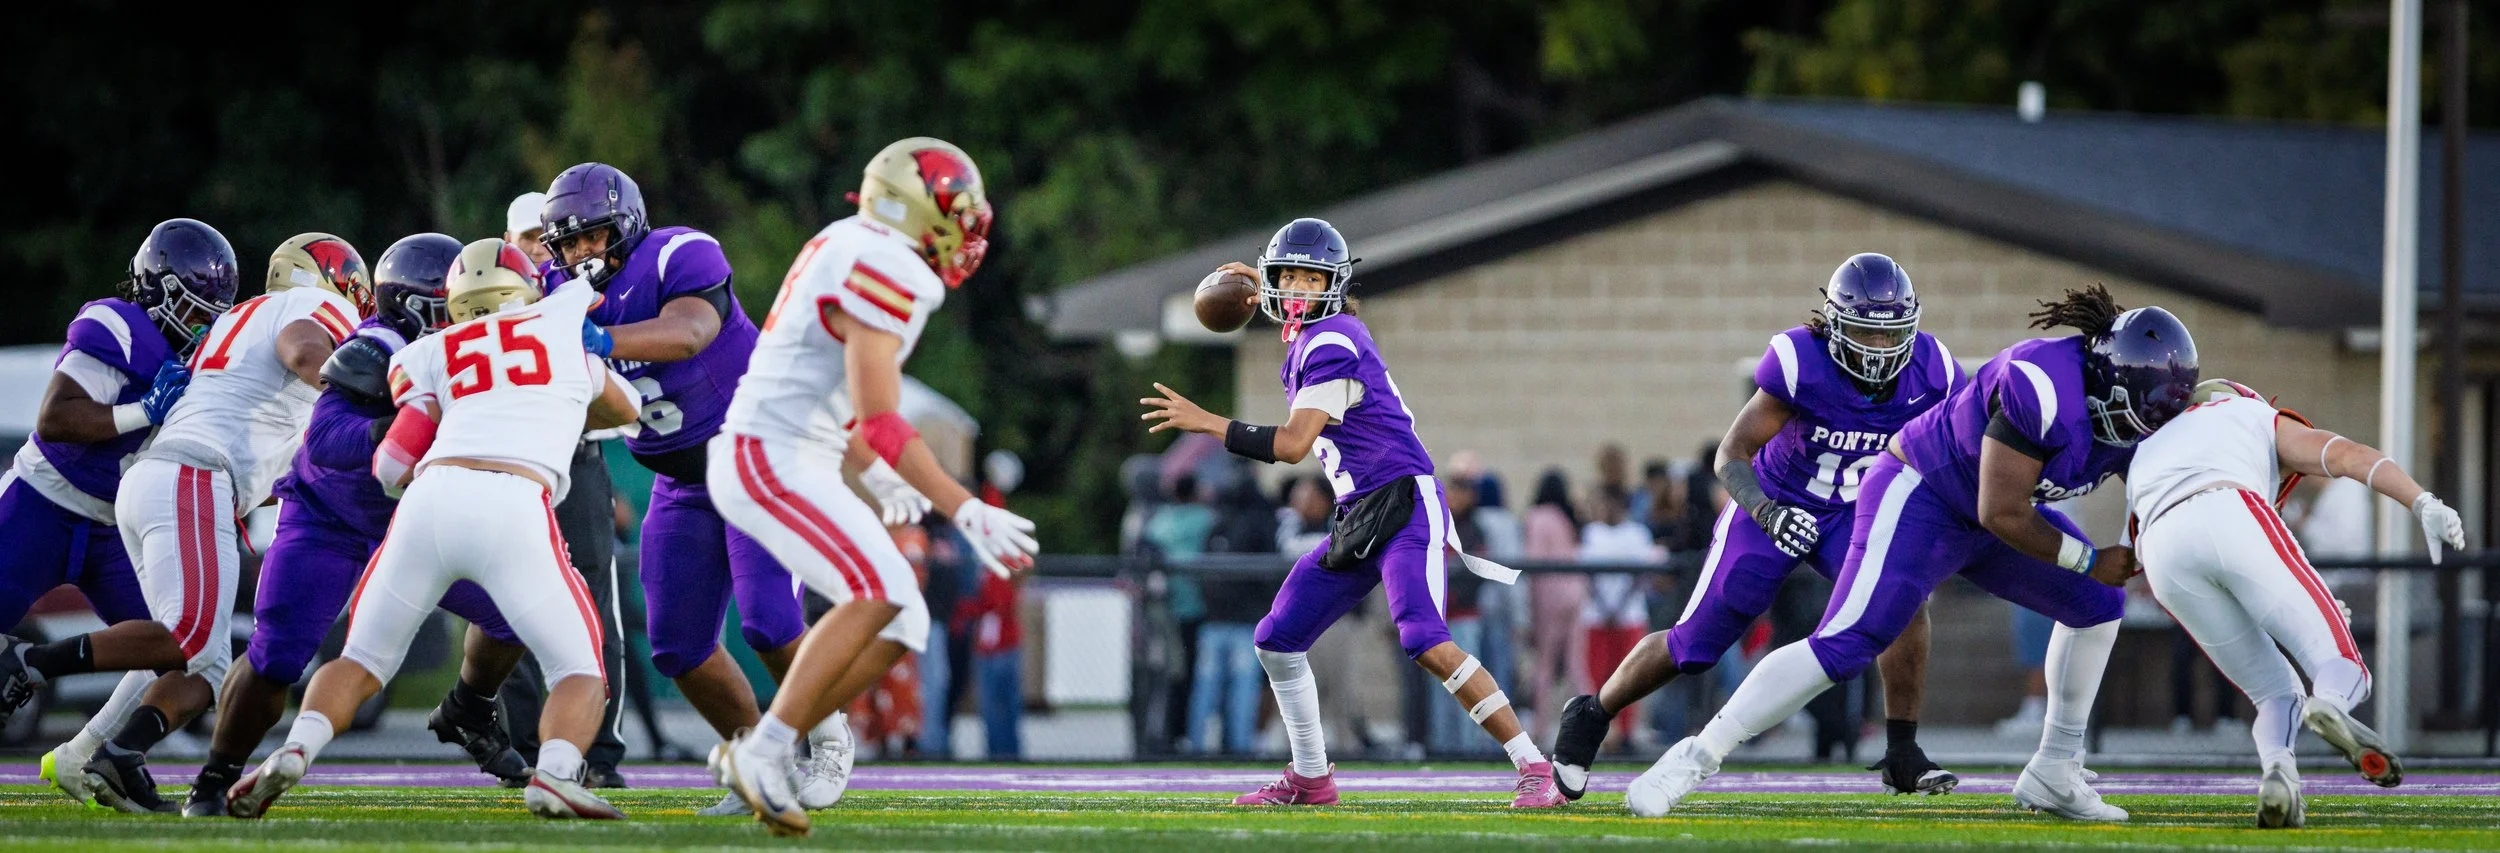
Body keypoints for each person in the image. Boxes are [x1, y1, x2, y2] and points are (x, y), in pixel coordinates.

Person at [1628, 285, 2198, 823]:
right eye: (2132, 413)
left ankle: (2056, 766)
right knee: (1849, 643)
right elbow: (2001, 512)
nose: (2137, 430)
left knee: (2098, 603)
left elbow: (2139, 490)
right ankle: (1695, 758)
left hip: (1988, 513)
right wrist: (2086, 558)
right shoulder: (2043, 385)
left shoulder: (2140, 418)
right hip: (1922, 493)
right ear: (2103, 377)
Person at [1138, 217, 1557, 807]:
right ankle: (1311, 777)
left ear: (1332, 284)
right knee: (1277, 638)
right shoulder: (1317, 334)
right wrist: (1262, 282)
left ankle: (1534, 766)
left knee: (1425, 639)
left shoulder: (1332, 341)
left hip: (1405, 502)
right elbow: (1295, 315)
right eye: (1290, 278)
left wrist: (1209, 421)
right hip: (1359, 513)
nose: (1298, 290)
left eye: (1312, 279)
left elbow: (1290, 446)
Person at [227, 238, 639, 820]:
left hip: (427, 501)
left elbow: (391, 466)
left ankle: (299, 747)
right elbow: (628, 413)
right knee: (579, 669)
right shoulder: (562, 339)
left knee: (361, 661)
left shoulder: (431, 350)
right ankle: (557, 772)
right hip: (515, 501)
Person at [705, 137, 1036, 837]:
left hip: (802, 450)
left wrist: (878, 474)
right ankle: (766, 751)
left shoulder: (850, 240)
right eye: (957, 211)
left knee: (906, 617)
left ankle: (769, 744)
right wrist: (964, 505)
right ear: (916, 207)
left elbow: (843, 398)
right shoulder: (889, 265)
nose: (968, 228)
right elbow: (884, 416)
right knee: (880, 592)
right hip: (772, 453)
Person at [1553, 254, 1963, 799]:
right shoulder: (1801, 363)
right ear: (1837, 325)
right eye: (1865, 332)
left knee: (1905, 603)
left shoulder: (1934, 371)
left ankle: (1902, 749)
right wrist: (1767, 511)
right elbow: (1730, 455)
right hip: (1774, 501)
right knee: (1696, 644)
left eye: (1890, 336)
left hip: (1852, 510)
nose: (1879, 350)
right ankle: (1591, 714)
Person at [3, 220, 364, 814]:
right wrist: (362, 392)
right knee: (189, 637)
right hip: (161, 482)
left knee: (206, 660)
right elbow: (307, 354)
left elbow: (270, 444)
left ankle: (100, 753)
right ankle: (35, 662)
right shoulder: (310, 310)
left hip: (163, 488)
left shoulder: (236, 329)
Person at [183, 234, 544, 816]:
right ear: (419, 305)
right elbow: (326, 441)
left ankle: (467, 709)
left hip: (417, 521)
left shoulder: (481, 351)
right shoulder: (375, 347)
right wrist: (395, 432)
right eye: (454, 300)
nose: (470, 314)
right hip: (330, 516)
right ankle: (214, 777)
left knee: (518, 608)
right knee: (277, 657)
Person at [538, 163, 826, 814]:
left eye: (595, 236)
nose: (582, 253)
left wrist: (598, 339)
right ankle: (762, 765)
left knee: (769, 622)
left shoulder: (678, 252)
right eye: (570, 242)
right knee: (677, 645)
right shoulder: (554, 294)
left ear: (628, 225)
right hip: (679, 479)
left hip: (756, 455)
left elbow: (693, 329)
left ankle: (825, 747)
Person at [2127, 378, 2464, 827]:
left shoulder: (2150, 449)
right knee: (2343, 664)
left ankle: (2279, 773)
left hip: (2160, 552)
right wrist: (2422, 502)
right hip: (2229, 508)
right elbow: (2348, 457)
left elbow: (2127, 560)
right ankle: (2329, 702)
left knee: (2275, 693)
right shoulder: (2249, 415)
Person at [0, 219, 217, 807]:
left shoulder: (190, 364)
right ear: (162, 290)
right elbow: (56, 419)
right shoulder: (117, 327)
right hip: (41, 501)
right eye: (196, 311)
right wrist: (143, 409)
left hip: (108, 526)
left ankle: (98, 756)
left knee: (183, 646)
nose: (202, 327)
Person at [491, 189, 635, 789]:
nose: (536, 251)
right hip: (509, 465)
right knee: (506, 607)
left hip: (577, 461)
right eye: (526, 239)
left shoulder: (587, 298)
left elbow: (622, 408)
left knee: (595, 604)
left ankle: (599, 754)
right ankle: (526, 749)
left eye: (540, 238)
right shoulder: (485, 295)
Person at [1575, 487, 1661, 749]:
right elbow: (1586, 574)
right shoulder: (1592, 533)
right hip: (1597, 616)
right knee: (1597, 673)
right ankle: (1598, 731)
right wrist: (1604, 605)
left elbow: (1641, 574)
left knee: (1630, 674)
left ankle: (1626, 732)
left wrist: (1618, 605)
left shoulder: (1636, 534)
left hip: (1628, 615)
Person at [1521, 469, 1584, 733]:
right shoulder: (1563, 518)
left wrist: (1530, 607)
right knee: (1575, 664)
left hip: (1550, 593)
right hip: (1576, 590)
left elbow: (1535, 559)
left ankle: (1539, 728)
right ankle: (1591, 726)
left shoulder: (1537, 517)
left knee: (1544, 664)